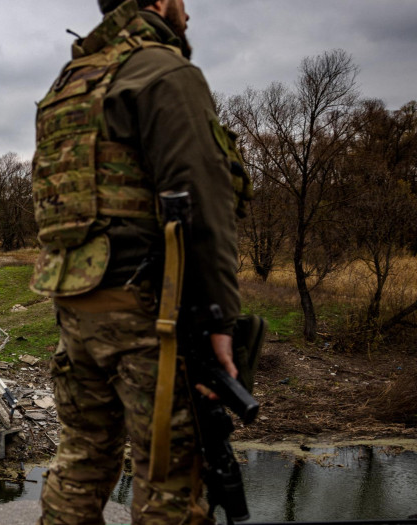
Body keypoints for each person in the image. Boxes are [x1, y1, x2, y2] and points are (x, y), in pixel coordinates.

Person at [30, 0, 249, 524]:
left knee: (81, 462)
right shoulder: (164, 71)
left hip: (77, 310)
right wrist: (221, 318)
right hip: (152, 313)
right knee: (169, 482)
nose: (188, 13)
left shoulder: (69, 83)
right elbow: (202, 199)